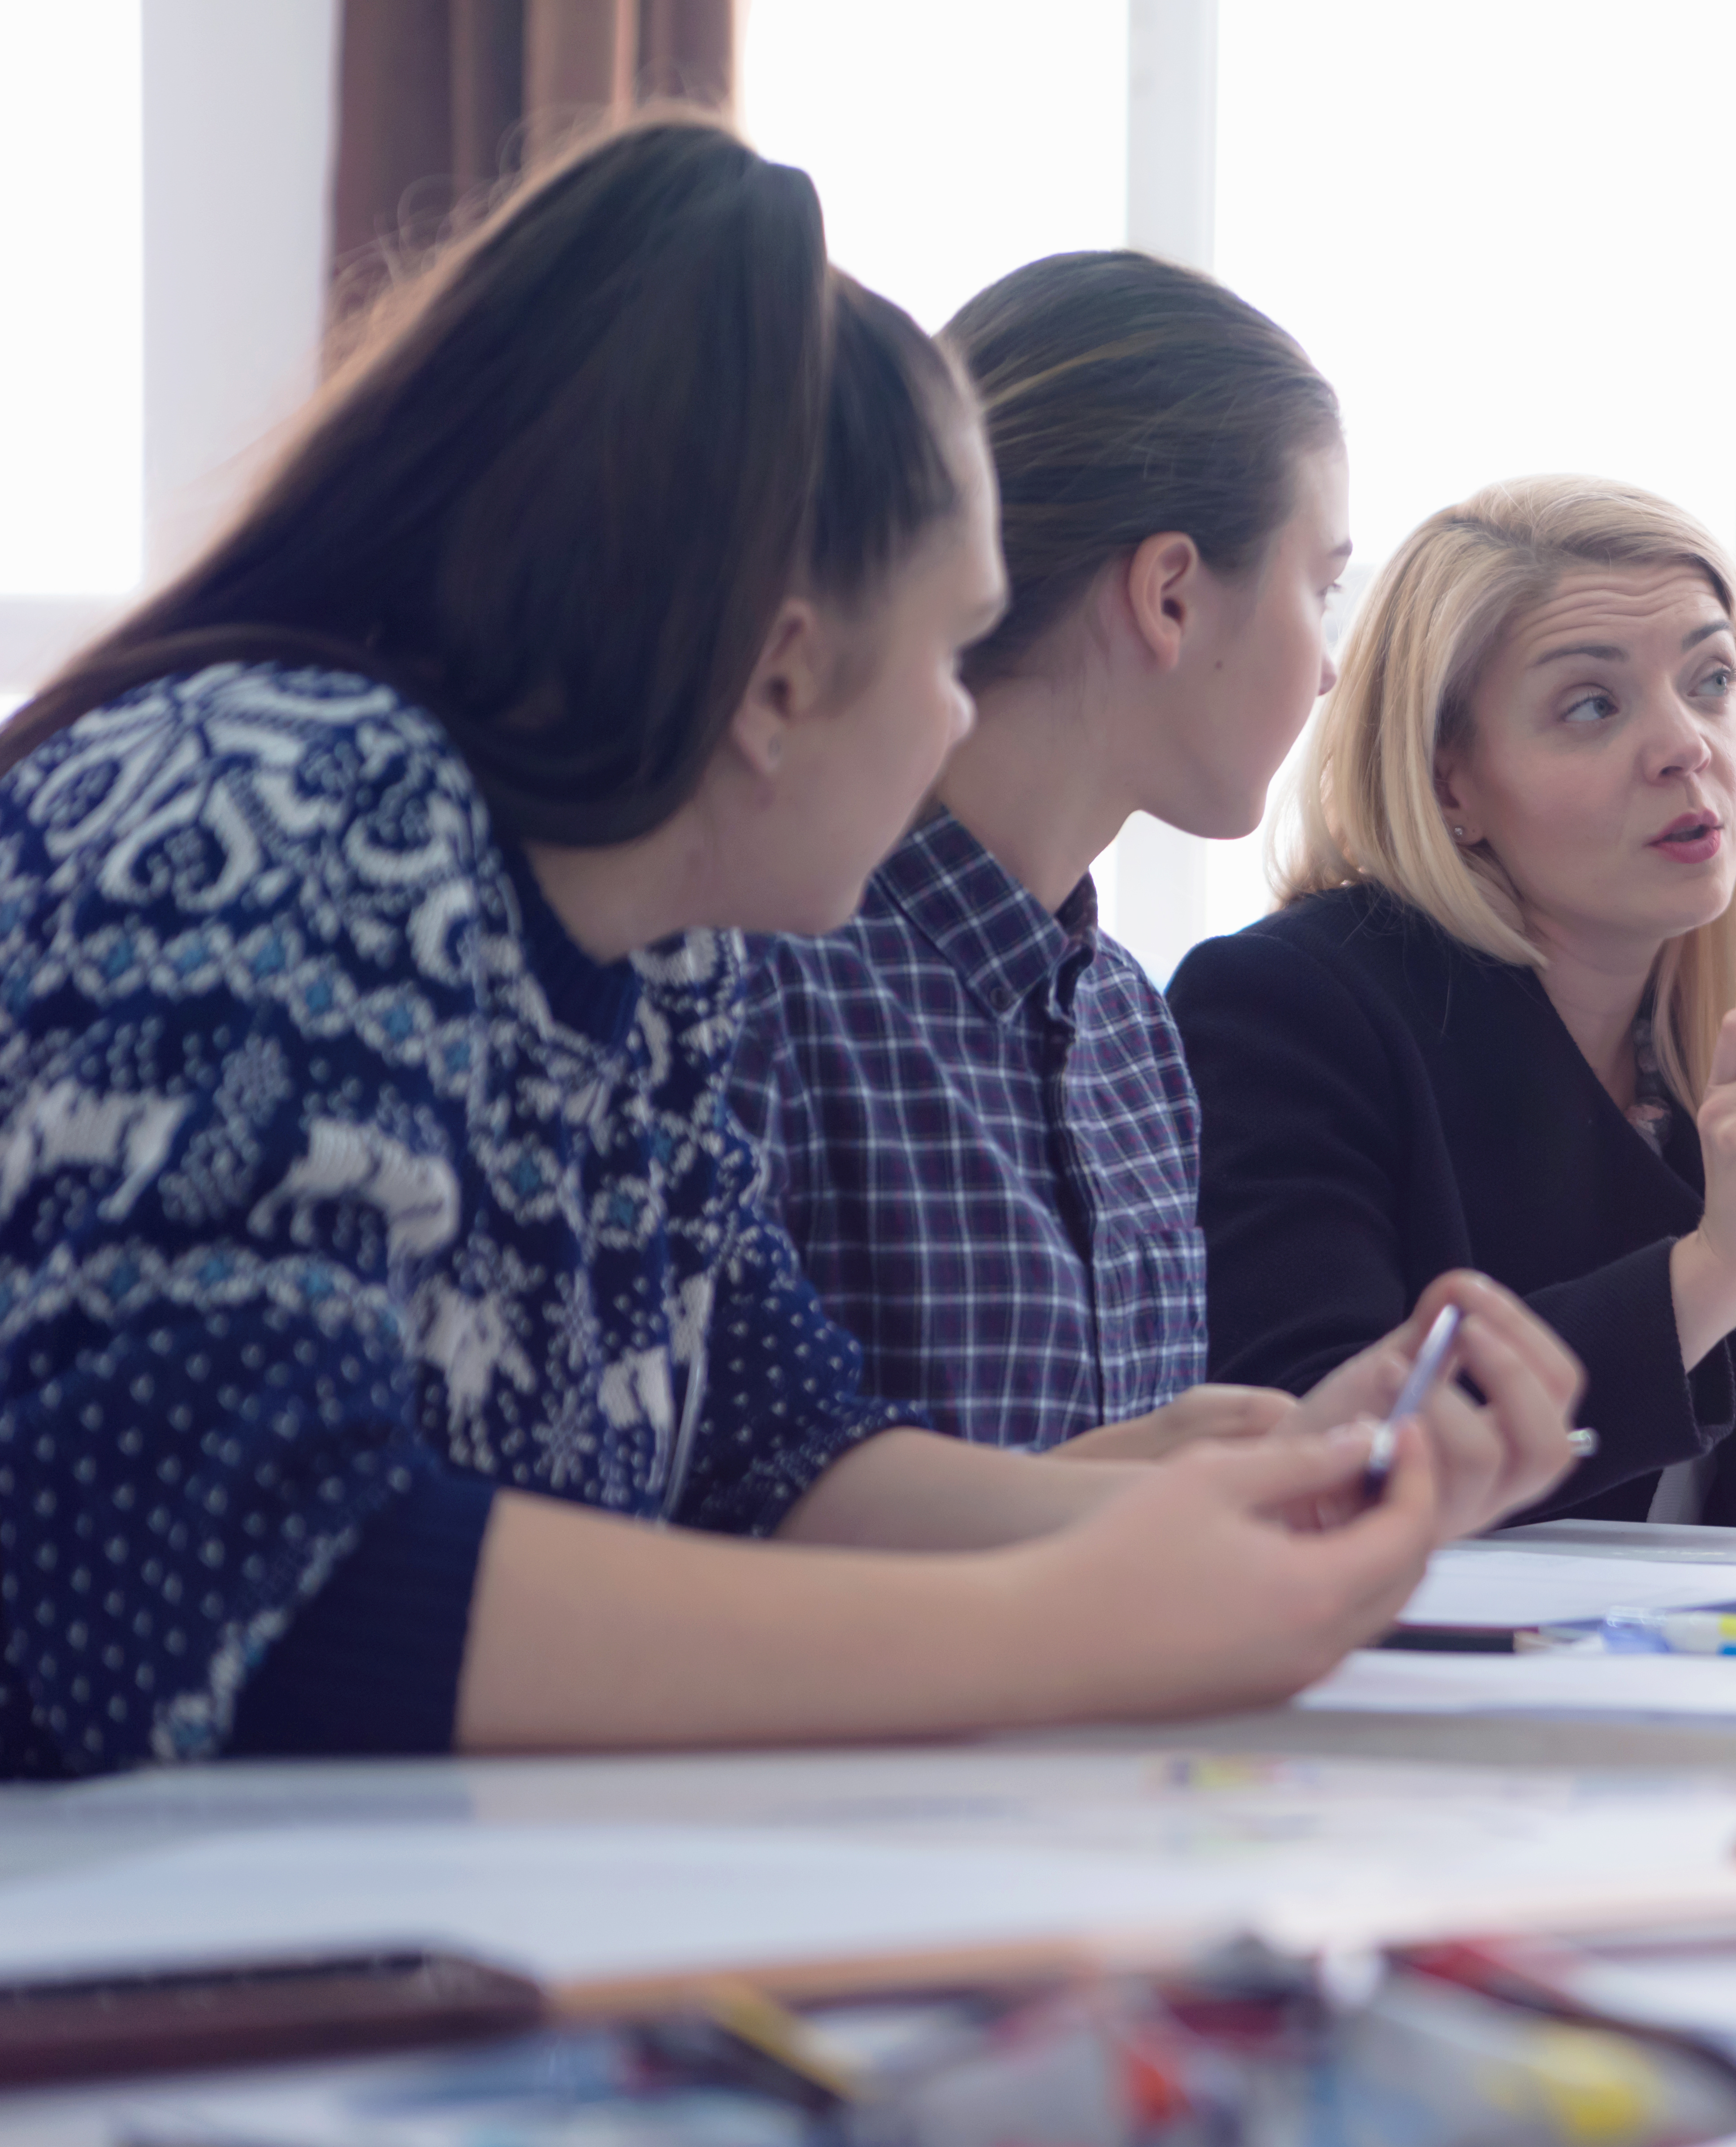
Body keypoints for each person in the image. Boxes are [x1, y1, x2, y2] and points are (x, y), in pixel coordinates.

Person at [0, 118, 1579, 1780]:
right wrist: (1066, 1625)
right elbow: (220, 1562)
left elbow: (778, 1454)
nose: (965, 719)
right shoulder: (292, 803)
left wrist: (1235, 1512)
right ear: (777, 682)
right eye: (958, 650)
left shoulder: (647, 961)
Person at [728, 251, 1349, 1456]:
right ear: (1170, 595)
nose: (1329, 662)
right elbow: (719, 1520)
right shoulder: (766, 982)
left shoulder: (1135, 1032)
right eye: (1320, 587)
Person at [1170, 478, 1736, 1530]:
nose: (1687, 744)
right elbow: (1316, 1470)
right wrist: (1711, 1274)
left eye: (1711, 680)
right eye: (1591, 705)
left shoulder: (1703, 1055)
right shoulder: (1286, 1008)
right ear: (1450, 787)